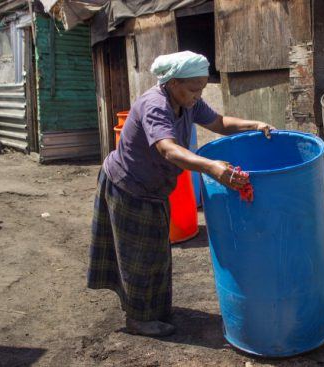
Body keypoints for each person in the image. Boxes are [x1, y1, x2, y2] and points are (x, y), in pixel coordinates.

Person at [87, 51, 275, 337]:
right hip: (128, 186)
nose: (199, 94)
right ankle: (138, 319)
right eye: (194, 88)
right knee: (139, 255)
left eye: (201, 87)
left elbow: (219, 123)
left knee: (156, 253)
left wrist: (255, 125)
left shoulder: (188, 102)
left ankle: (153, 311)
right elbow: (168, 149)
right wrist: (210, 167)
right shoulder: (155, 105)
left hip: (154, 187)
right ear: (173, 83)